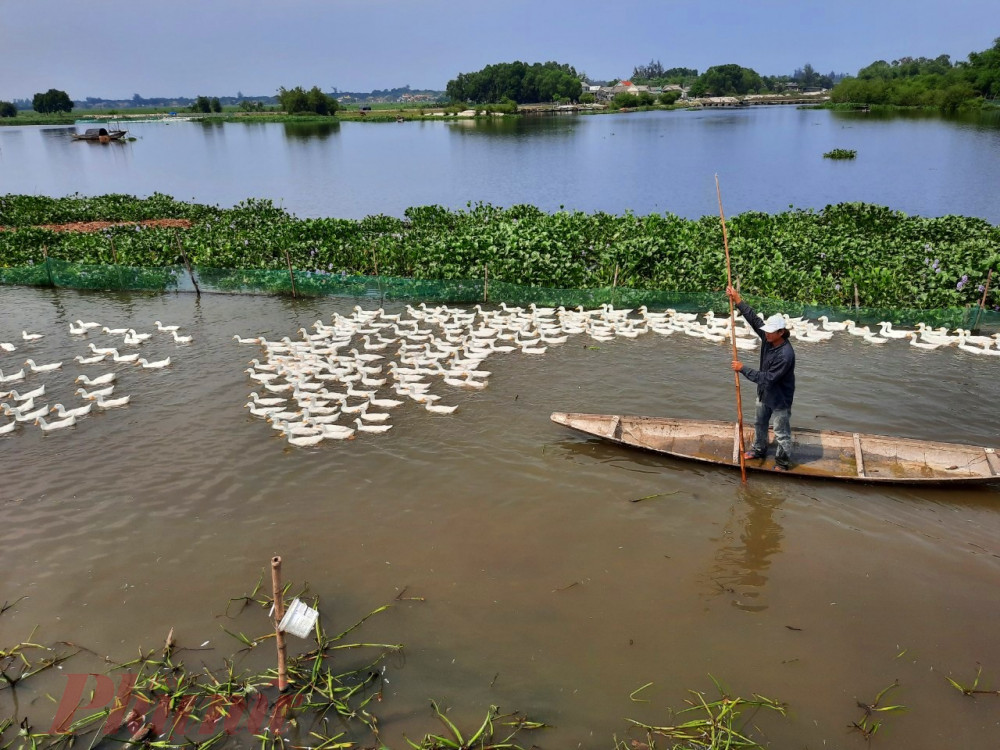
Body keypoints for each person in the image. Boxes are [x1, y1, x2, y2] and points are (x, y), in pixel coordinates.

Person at [726, 285, 796, 471]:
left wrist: (743, 369)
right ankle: (759, 450)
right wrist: (737, 299)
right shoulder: (768, 338)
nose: (766, 333)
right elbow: (754, 319)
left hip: (779, 397)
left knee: (781, 432)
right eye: (766, 331)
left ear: (781, 332)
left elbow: (768, 378)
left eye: (770, 331)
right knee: (760, 423)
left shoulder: (785, 355)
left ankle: (782, 462)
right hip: (764, 393)